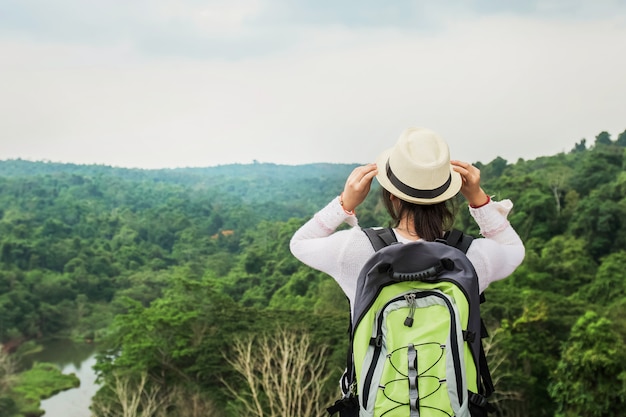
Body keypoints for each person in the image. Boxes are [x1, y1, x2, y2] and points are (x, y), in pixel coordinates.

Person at [289, 127, 525, 314]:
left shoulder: (353, 249)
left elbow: (299, 243)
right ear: (447, 196)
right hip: (449, 376)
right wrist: (479, 201)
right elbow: (513, 249)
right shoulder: (474, 256)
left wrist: (344, 203)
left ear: (392, 197)